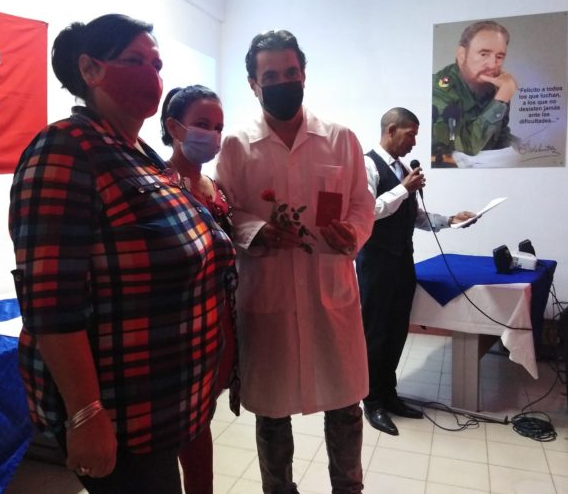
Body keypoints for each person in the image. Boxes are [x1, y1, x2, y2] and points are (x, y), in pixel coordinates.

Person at [8, 14, 235, 494]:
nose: (152, 76)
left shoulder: (140, 154)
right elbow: (51, 302)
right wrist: (85, 414)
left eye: (156, 64)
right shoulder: (65, 149)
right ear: (90, 69)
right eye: (135, 61)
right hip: (123, 411)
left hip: (169, 400)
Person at [216, 29, 375, 494]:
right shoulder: (236, 145)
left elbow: (362, 203)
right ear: (253, 84)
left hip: (330, 293)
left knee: (345, 407)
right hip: (268, 294)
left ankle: (348, 489)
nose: (283, 82)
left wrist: (354, 231)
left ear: (304, 74)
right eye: (270, 76)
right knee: (271, 412)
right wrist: (256, 231)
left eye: (290, 72)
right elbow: (224, 210)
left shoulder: (340, 139)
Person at [357, 107, 476, 436]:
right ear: (391, 130)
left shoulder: (403, 169)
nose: (413, 143)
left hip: (402, 262)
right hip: (376, 264)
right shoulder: (366, 165)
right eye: (410, 135)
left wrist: (449, 220)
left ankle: (389, 395)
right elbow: (367, 212)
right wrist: (403, 189)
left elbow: (413, 215)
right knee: (376, 334)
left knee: (397, 331)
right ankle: (372, 401)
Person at [160, 84, 239, 494]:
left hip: (221, 318)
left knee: (201, 420)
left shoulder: (215, 185)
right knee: (182, 427)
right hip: (180, 325)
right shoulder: (159, 184)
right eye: (203, 124)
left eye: (219, 127)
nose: (213, 135)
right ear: (175, 127)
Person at [432, 20, 518, 159]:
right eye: (484, 54)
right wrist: (501, 99)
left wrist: (522, 151)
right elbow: (467, 146)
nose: (492, 65)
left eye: (499, 57)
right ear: (462, 55)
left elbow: (500, 135)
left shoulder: (496, 85)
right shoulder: (439, 90)